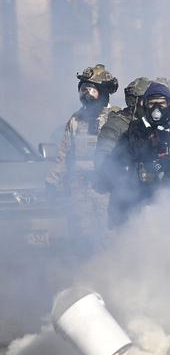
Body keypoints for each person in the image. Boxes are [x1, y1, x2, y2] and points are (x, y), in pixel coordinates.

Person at [103, 82, 170, 227]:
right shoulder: (136, 130)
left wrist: (169, 177)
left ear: (169, 104)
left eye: (161, 103)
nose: (157, 108)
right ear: (145, 105)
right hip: (143, 194)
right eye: (152, 103)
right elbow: (119, 158)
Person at [47, 64, 120, 256]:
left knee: (108, 235)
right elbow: (64, 154)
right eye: (84, 90)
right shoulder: (76, 120)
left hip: (105, 188)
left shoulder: (116, 118)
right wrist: (52, 181)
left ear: (103, 93)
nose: (87, 95)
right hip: (79, 187)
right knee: (81, 235)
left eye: (92, 90)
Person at [95, 76, 151, 171]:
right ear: (135, 102)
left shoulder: (155, 124)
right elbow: (103, 163)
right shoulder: (115, 125)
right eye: (149, 101)